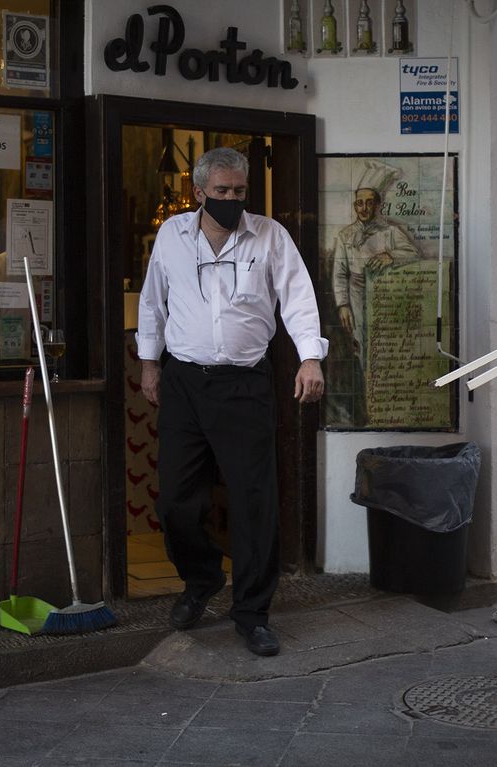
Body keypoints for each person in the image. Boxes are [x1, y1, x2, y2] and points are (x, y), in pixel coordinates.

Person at [137, 146, 327, 657]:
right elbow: (153, 300)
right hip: (184, 383)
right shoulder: (172, 236)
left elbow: (299, 297)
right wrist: (149, 363)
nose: (232, 199)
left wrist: (310, 358)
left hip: (244, 386)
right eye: (222, 191)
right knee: (176, 501)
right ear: (198, 192)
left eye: (240, 191)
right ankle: (201, 578)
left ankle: (253, 613)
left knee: (254, 503)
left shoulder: (270, 236)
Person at [331, 160, 421, 373]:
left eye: (369, 203)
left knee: (386, 347)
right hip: (356, 296)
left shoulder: (391, 232)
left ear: (377, 205)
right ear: (355, 206)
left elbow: (414, 254)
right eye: (359, 203)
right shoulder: (345, 235)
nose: (364, 208)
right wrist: (343, 305)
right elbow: (340, 274)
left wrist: (391, 256)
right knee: (361, 345)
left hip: (386, 298)